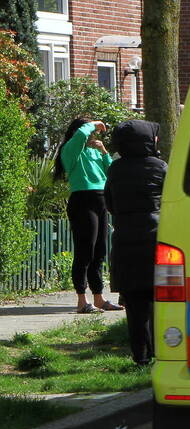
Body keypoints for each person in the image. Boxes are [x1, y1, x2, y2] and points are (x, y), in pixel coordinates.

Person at [104, 120, 166, 365]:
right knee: (160, 300)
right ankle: (162, 351)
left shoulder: (115, 169)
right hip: (156, 240)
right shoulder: (160, 167)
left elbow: (109, 202)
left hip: (125, 240)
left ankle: (140, 355)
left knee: (134, 304)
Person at [54, 118, 122, 314]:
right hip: (82, 201)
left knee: (99, 251)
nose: (92, 135)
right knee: (85, 251)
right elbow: (81, 135)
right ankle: (82, 301)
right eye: (90, 131)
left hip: (101, 201)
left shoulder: (93, 151)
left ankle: (99, 298)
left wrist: (104, 152)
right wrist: (94, 123)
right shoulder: (70, 150)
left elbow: (111, 173)